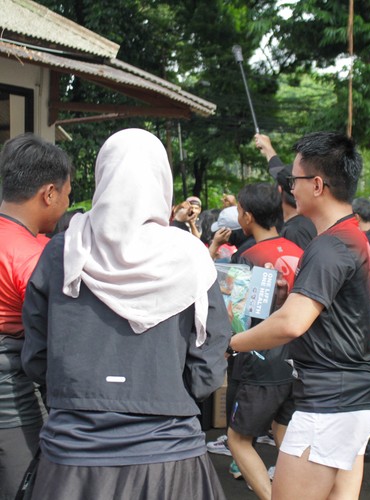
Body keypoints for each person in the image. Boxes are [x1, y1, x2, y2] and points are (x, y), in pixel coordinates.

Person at [21, 129, 231, 500]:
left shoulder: (64, 251)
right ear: (161, 180)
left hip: (73, 457)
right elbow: (210, 357)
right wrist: (167, 392)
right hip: (169, 457)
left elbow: (37, 355)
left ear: (103, 176)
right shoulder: (190, 257)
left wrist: (76, 392)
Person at [230, 131, 370, 499]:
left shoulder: (329, 245)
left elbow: (291, 323)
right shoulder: (352, 235)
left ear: (317, 185)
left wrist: (233, 343)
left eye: (294, 180)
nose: (289, 188)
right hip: (355, 395)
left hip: (329, 402)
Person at [0, 133, 73, 500]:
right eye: (68, 194)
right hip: (11, 400)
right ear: (49, 193)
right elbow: (57, 340)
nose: (67, 203)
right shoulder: (32, 258)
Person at [227, 182, 303, 499]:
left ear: (247, 216)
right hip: (299, 359)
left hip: (261, 362)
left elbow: (241, 317)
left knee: (237, 440)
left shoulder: (248, 257)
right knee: (284, 431)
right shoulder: (300, 251)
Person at [255, 133, 316, 249]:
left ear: (279, 189)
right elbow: (282, 174)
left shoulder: (295, 231)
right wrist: (267, 149)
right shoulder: (311, 221)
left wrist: (268, 148)